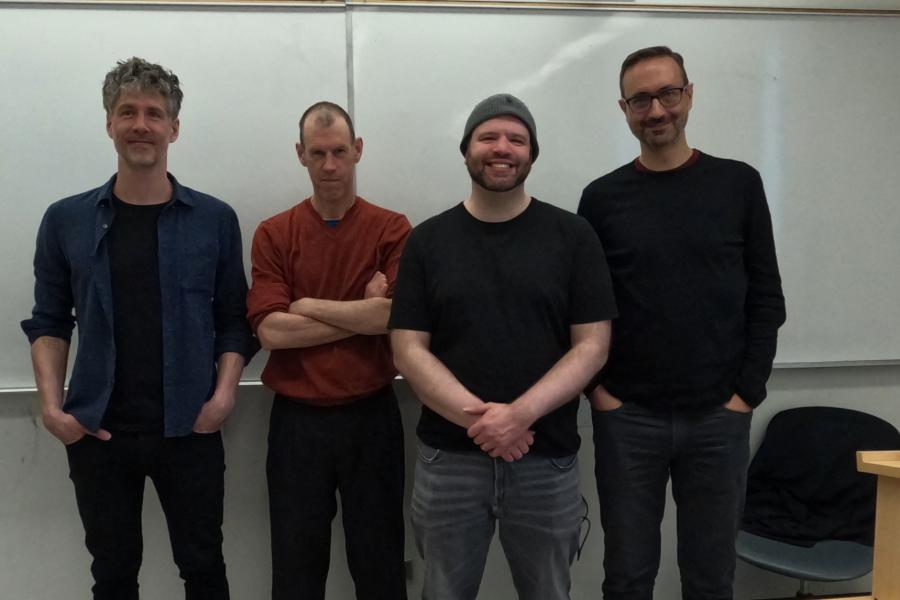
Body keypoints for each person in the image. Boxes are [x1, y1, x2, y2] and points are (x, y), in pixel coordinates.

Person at [21, 56, 257, 599]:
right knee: (112, 574)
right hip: (99, 432)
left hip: (189, 429)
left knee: (203, 568)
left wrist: (222, 398)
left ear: (175, 127)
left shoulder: (213, 219)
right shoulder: (65, 219)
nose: (141, 125)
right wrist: (52, 408)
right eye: (127, 112)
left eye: (154, 113)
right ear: (109, 123)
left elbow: (233, 320)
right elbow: (50, 320)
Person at [577, 46, 787, 600]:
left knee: (711, 579)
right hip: (628, 420)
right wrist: (598, 393)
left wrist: (746, 393)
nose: (656, 110)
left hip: (719, 418)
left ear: (688, 95)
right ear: (624, 109)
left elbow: (767, 297)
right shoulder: (600, 200)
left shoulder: (739, 185)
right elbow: (581, 309)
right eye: (641, 99)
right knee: (626, 577)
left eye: (668, 93)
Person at [390, 93, 616, 600]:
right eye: (488, 136)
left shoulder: (574, 236)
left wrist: (519, 416)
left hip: (545, 459)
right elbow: (408, 350)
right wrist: (482, 422)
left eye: (517, 139)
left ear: (532, 154)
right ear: (466, 148)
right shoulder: (427, 241)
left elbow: (593, 346)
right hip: (448, 463)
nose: (502, 148)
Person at [246, 101, 412, 600]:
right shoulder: (275, 234)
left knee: (380, 564)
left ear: (358, 150)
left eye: (340, 151)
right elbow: (272, 332)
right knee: (297, 569)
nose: (331, 165)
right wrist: (359, 313)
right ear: (301, 155)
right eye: (318, 153)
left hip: (372, 418)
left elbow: (390, 318)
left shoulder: (392, 228)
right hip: (298, 424)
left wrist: (309, 304)